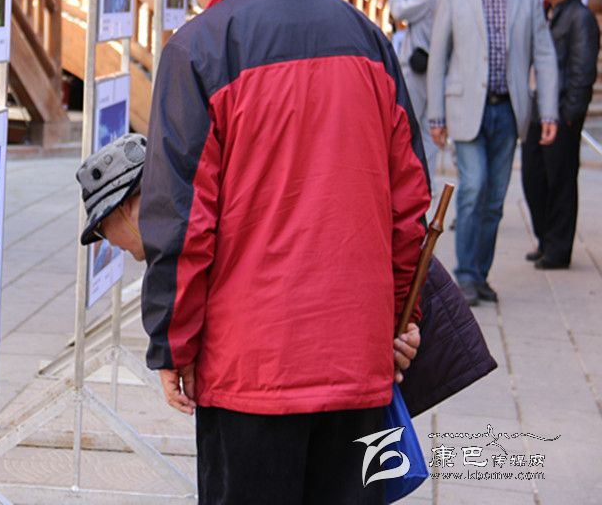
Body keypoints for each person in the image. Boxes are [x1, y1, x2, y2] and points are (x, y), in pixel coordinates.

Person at [139, 0, 431, 504]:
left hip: (252, 368)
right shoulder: (367, 37)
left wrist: (172, 342)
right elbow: (410, 204)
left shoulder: (200, 48)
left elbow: (182, 222)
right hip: (358, 361)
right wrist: (396, 319)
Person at [76, 134, 497, 425]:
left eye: (104, 232)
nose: (109, 245)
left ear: (128, 208)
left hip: (296, 381)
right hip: (335, 362)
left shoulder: (205, 222)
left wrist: (401, 322)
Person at [426, 0, 559, 307]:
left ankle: (480, 274)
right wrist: (436, 114)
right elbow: (438, 57)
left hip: (508, 111)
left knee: (496, 199)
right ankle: (465, 275)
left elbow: (544, 56)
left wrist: (548, 112)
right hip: (467, 108)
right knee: (474, 186)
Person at [521, 0, 600, 269]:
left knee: (560, 184)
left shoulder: (580, 18)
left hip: (562, 116)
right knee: (534, 179)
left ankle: (558, 250)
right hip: (539, 113)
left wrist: (568, 115)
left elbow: (582, 72)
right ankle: (545, 240)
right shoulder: (549, 13)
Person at [388, 0, 449, 180]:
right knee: (427, 132)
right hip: (434, 69)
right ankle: (426, 184)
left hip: (418, 72)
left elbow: (400, 12)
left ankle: (416, 185)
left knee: (410, 129)